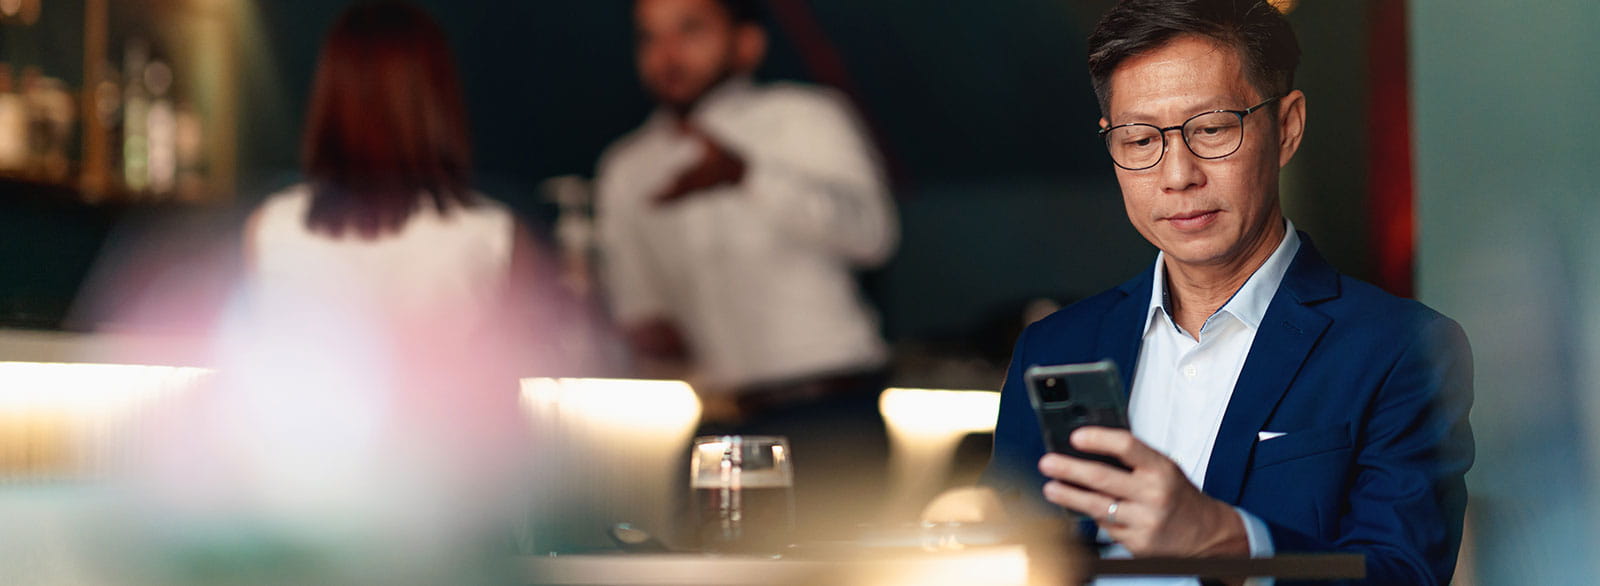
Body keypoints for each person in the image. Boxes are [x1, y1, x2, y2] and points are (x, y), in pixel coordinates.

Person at [979, 1, 1475, 584]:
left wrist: (1223, 539)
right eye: (1140, 141)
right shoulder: (1053, 346)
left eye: (1212, 129)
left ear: (1286, 127)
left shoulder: (1402, 347)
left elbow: (1404, 573)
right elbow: (1008, 554)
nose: (1178, 174)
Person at [595, 0, 898, 538]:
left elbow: (874, 235)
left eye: (690, 30)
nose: (668, 54)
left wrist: (746, 175)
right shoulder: (626, 167)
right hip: (719, 420)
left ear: (747, 43)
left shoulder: (804, 115)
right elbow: (640, 306)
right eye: (650, 37)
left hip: (830, 413)